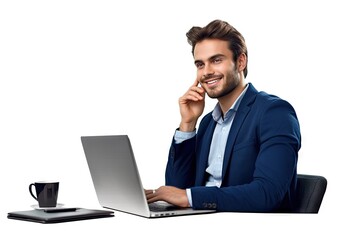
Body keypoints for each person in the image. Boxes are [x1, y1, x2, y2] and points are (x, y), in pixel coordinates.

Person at [146, 19, 301, 212]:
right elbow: (176, 190)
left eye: (216, 60)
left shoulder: (274, 113)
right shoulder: (207, 123)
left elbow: (267, 194)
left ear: (241, 61)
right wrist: (188, 123)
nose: (207, 72)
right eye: (200, 64)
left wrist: (189, 197)